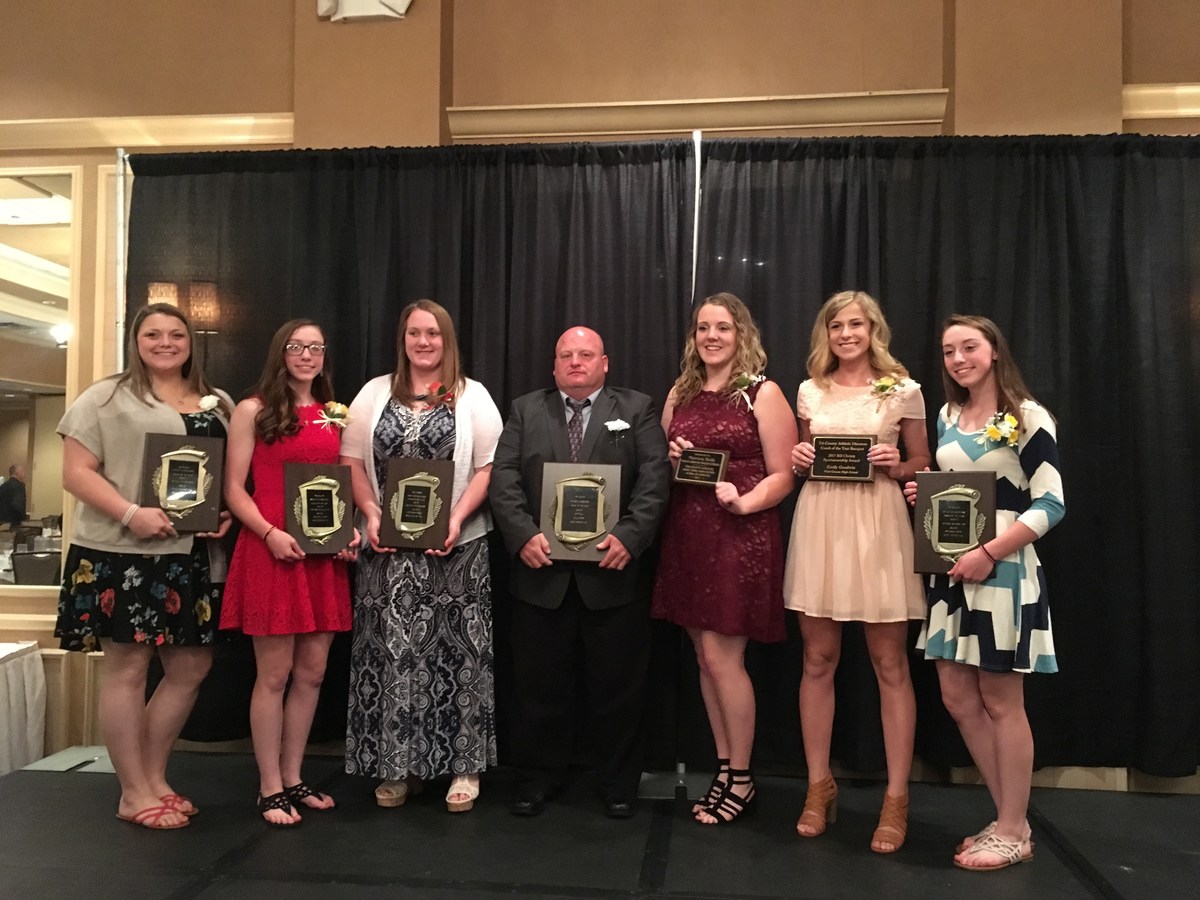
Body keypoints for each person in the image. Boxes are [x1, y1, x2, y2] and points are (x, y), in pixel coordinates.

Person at [54, 302, 233, 830]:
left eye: (175, 334)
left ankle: (153, 778)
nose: (164, 342)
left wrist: (221, 513)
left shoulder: (217, 401)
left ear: (190, 341)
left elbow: (221, 474)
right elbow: (76, 472)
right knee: (129, 667)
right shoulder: (105, 396)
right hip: (121, 551)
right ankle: (132, 791)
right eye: (152, 334)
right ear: (136, 340)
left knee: (191, 667)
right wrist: (132, 513)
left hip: (193, 554)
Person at [489, 325, 671, 819]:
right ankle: (535, 780)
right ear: (553, 366)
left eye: (585, 354)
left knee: (618, 691)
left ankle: (617, 783)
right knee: (537, 690)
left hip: (612, 575)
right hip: (539, 573)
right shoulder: (526, 408)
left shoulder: (636, 409)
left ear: (604, 362)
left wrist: (631, 537)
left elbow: (655, 478)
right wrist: (521, 534)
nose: (575, 362)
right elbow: (503, 477)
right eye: (565, 355)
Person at [905, 314, 1063, 871]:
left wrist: (990, 552)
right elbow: (952, 490)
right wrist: (920, 496)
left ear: (994, 351)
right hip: (951, 576)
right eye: (948, 350)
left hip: (1003, 574)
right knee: (956, 697)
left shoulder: (1027, 416)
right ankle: (1007, 820)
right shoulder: (947, 414)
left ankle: (1013, 826)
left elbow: (1050, 504)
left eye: (969, 347)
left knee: (1001, 701)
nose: (958, 358)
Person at [342, 299, 502, 814]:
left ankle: (464, 767)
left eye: (433, 333)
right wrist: (369, 513)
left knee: (460, 657)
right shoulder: (372, 393)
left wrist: (456, 519)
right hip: (386, 551)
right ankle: (397, 767)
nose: (424, 342)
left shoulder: (473, 396)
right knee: (391, 657)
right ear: (402, 339)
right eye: (414, 333)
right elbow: (351, 463)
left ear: (447, 338)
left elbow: (490, 467)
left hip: (456, 550)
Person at [783, 290, 930, 851]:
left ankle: (896, 799)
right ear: (827, 333)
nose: (847, 334)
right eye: (837, 325)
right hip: (821, 522)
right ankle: (818, 786)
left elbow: (923, 461)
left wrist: (901, 464)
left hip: (878, 525)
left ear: (873, 330)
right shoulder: (809, 390)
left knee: (889, 662)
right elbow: (804, 454)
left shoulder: (904, 388)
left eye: (857, 324)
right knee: (817, 658)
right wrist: (799, 458)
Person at [651, 292, 796, 825]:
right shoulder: (679, 393)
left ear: (742, 336)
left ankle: (742, 777)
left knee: (723, 660)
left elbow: (784, 473)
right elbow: (667, 469)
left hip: (740, 534)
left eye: (723, 328)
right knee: (704, 661)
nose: (711, 336)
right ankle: (725, 767)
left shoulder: (763, 392)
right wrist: (671, 459)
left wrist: (744, 500)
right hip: (688, 533)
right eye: (703, 328)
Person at [221, 320, 357, 826]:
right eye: (297, 347)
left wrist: (349, 533)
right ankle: (269, 786)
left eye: (316, 347)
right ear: (281, 352)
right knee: (273, 675)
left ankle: (295, 776)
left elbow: (342, 483)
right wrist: (268, 533)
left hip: (323, 558)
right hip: (272, 551)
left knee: (312, 673)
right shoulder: (252, 409)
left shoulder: (334, 414)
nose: (307, 355)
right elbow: (234, 489)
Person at [0, 463, 27, 527]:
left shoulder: (3, 486)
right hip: (14, 522)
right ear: (16, 473)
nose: (24, 473)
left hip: (2, 520)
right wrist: (23, 519)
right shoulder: (19, 486)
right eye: (22, 471)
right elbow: (18, 505)